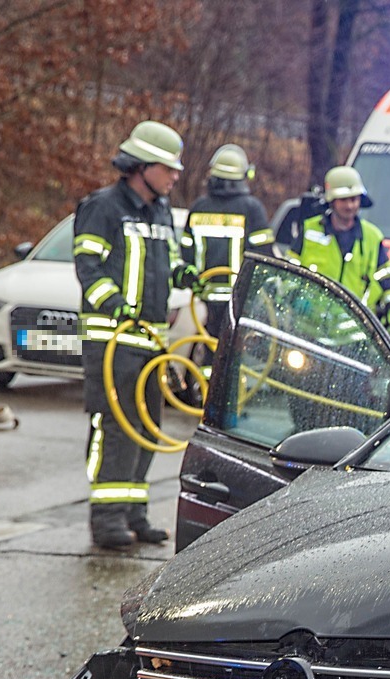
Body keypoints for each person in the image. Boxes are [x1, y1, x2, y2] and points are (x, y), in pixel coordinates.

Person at [74, 120, 195, 550]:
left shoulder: (161, 211)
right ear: (140, 166)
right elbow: (88, 268)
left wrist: (186, 275)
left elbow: (170, 262)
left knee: (146, 429)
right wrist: (114, 305)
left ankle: (135, 514)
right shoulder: (103, 207)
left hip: (151, 343)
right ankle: (106, 520)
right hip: (113, 340)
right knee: (116, 430)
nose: (175, 176)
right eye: (168, 168)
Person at [280, 165, 390, 337]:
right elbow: (287, 272)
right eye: (344, 200)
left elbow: (388, 285)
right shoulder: (309, 231)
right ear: (331, 201)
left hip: (357, 337)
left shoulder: (372, 237)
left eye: (354, 199)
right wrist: (297, 301)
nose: (350, 205)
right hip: (308, 332)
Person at [181, 143, 273, 348]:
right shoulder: (252, 209)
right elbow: (265, 258)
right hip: (239, 303)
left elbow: (185, 254)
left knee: (207, 355)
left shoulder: (198, 208)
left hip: (202, 303)